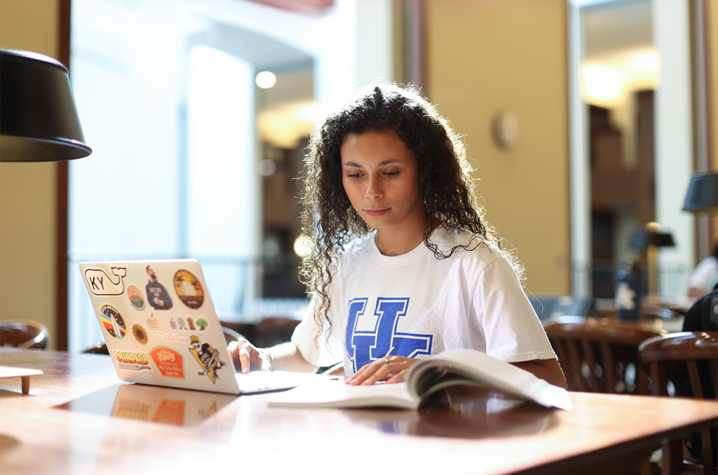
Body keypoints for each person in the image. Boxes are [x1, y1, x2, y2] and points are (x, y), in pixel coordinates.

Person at [228, 84, 566, 389]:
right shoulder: (348, 264)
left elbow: (549, 377)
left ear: (424, 171)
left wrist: (443, 372)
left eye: (390, 173)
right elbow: (305, 355)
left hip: (451, 449)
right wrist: (264, 360)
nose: (372, 191)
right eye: (355, 174)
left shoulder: (474, 263)